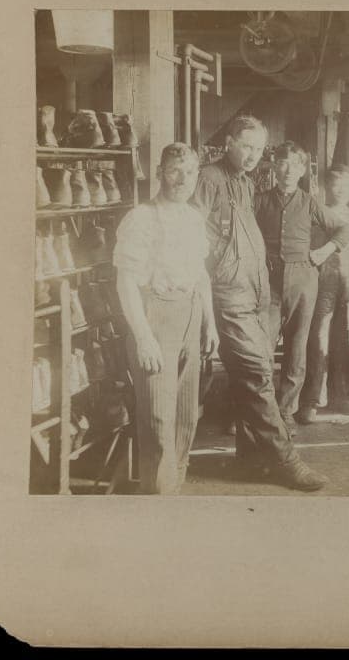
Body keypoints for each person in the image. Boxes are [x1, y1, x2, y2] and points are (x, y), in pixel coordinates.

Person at [192, 117, 327, 491]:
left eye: (258, 149)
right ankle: (286, 461)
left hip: (254, 292)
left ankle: (250, 460)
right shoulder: (209, 179)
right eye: (246, 146)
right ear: (229, 143)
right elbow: (191, 238)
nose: (253, 155)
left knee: (253, 372)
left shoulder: (245, 182)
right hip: (229, 294)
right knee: (255, 373)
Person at [114, 143, 219, 494]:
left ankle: (174, 492)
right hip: (156, 317)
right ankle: (157, 499)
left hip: (191, 314)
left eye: (190, 172)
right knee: (159, 418)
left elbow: (201, 273)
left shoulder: (193, 218)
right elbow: (126, 281)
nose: (182, 179)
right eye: (174, 170)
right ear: (159, 173)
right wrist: (144, 337)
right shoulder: (141, 218)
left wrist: (210, 323)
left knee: (186, 418)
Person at [255, 141, 349, 431]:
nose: (288, 171)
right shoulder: (259, 201)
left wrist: (323, 252)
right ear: (274, 167)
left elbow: (344, 228)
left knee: (297, 349)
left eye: (295, 165)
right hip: (267, 281)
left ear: (302, 171)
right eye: (282, 163)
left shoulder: (310, 202)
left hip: (303, 280)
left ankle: (286, 412)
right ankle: (261, 412)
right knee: (261, 348)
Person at [299, 165, 349, 421]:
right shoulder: (316, 214)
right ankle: (311, 400)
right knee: (318, 339)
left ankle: (341, 398)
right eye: (336, 183)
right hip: (322, 283)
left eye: (346, 185)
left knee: (345, 338)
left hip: (348, 286)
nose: (341, 189)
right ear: (327, 186)